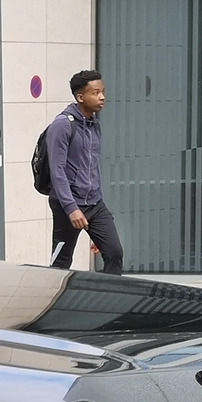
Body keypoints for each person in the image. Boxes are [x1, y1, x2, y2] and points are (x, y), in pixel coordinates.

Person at [38, 71, 121, 274]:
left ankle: (109, 302)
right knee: (61, 263)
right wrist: (71, 208)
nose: (102, 97)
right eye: (96, 93)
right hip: (68, 204)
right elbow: (57, 170)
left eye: (103, 91)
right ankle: (54, 302)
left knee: (114, 252)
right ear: (80, 97)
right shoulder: (62, 125)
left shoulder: (94, 125)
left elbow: (93, 167)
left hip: (94, 203)